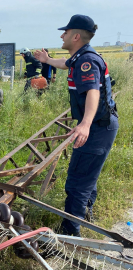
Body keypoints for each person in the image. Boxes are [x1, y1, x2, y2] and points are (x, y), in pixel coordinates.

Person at [34, 14, 118, 236]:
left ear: (76, 36)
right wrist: (47, 60)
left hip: (98, 127)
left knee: (77, 182)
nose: (62, 35)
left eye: (66, 32)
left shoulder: (86, 61)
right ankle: (87, 214)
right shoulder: (80, 57)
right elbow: (64, 63)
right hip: (103, 125)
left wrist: (85, 125)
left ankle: (70, 235)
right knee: (88, 174)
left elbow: (92, 91)